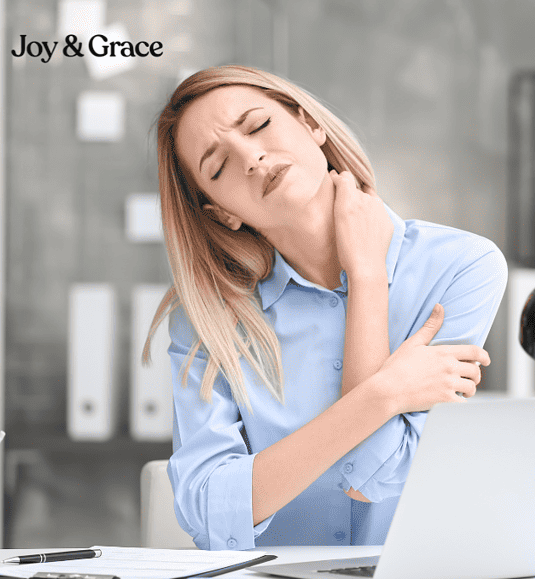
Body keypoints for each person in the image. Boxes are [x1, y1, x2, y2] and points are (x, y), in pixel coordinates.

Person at [143, 65, 508, 550]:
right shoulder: (207, 316)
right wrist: (386, 392)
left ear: (310, 123)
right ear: (222, 212)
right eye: (218, 167)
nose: (251, 157)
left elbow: (377, 477)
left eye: (258, 126)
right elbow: (212, 512)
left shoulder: (461, 267)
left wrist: (367, 278)